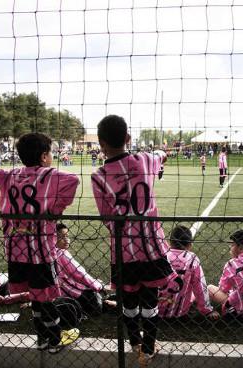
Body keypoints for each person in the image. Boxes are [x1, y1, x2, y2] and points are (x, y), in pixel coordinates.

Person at [0, 132, 80, 354]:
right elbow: (74, 180)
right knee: (45, 297)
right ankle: (55, 339)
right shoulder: (50, 175)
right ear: (44, 156)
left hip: (15, 251)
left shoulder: (8, 175)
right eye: (50, 153)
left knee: (35, 297)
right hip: (41, 251)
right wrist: (55, 211)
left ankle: (41, 338)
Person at [91, 115, 176, 366]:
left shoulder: (99, 176)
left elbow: (107, 219)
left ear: (101, 143)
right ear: (128, 138)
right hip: (151, 248)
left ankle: (134, 343)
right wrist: (162, 152)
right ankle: (148, 348)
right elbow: (160, 155)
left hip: (123, 251)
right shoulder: (145, 160)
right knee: (150, 300)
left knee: (128, 302)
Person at [158, 225, 219, 320]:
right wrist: (207, 310)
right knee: (194, 290)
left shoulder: (161, 256)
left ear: (170, 242)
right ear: (190, 245)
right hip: (179, 312)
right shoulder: (192, 259)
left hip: (155, 310)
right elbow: (200, 287)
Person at [55, 223, 105, 316]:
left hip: (58, 293)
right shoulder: (62, 254)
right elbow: (79, 273)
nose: (66, 240)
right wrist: (98, 285)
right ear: (53, 239)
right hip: (73, 293)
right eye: (61, 237)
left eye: (67, 236)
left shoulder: (49, 252)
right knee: (98, 300)